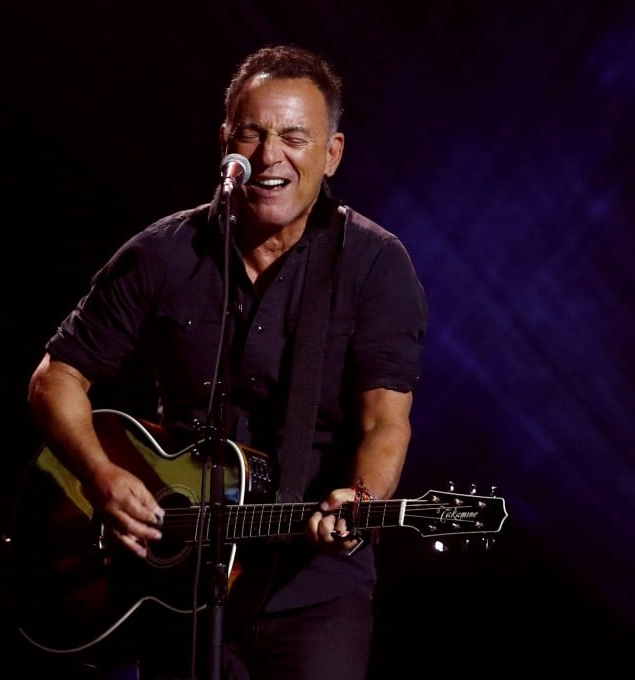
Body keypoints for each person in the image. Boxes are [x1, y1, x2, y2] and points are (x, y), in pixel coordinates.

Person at [24, 44, 428, 680]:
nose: (271, 156)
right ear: (225, 143)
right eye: (252, 132)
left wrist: (363, 496)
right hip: (176, 585)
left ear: (332, 154)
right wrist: (99, 475)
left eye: (295, 136)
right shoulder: (162, 253)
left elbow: (385, 421)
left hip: (312, 591)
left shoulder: (375, 264)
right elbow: (57, 378)